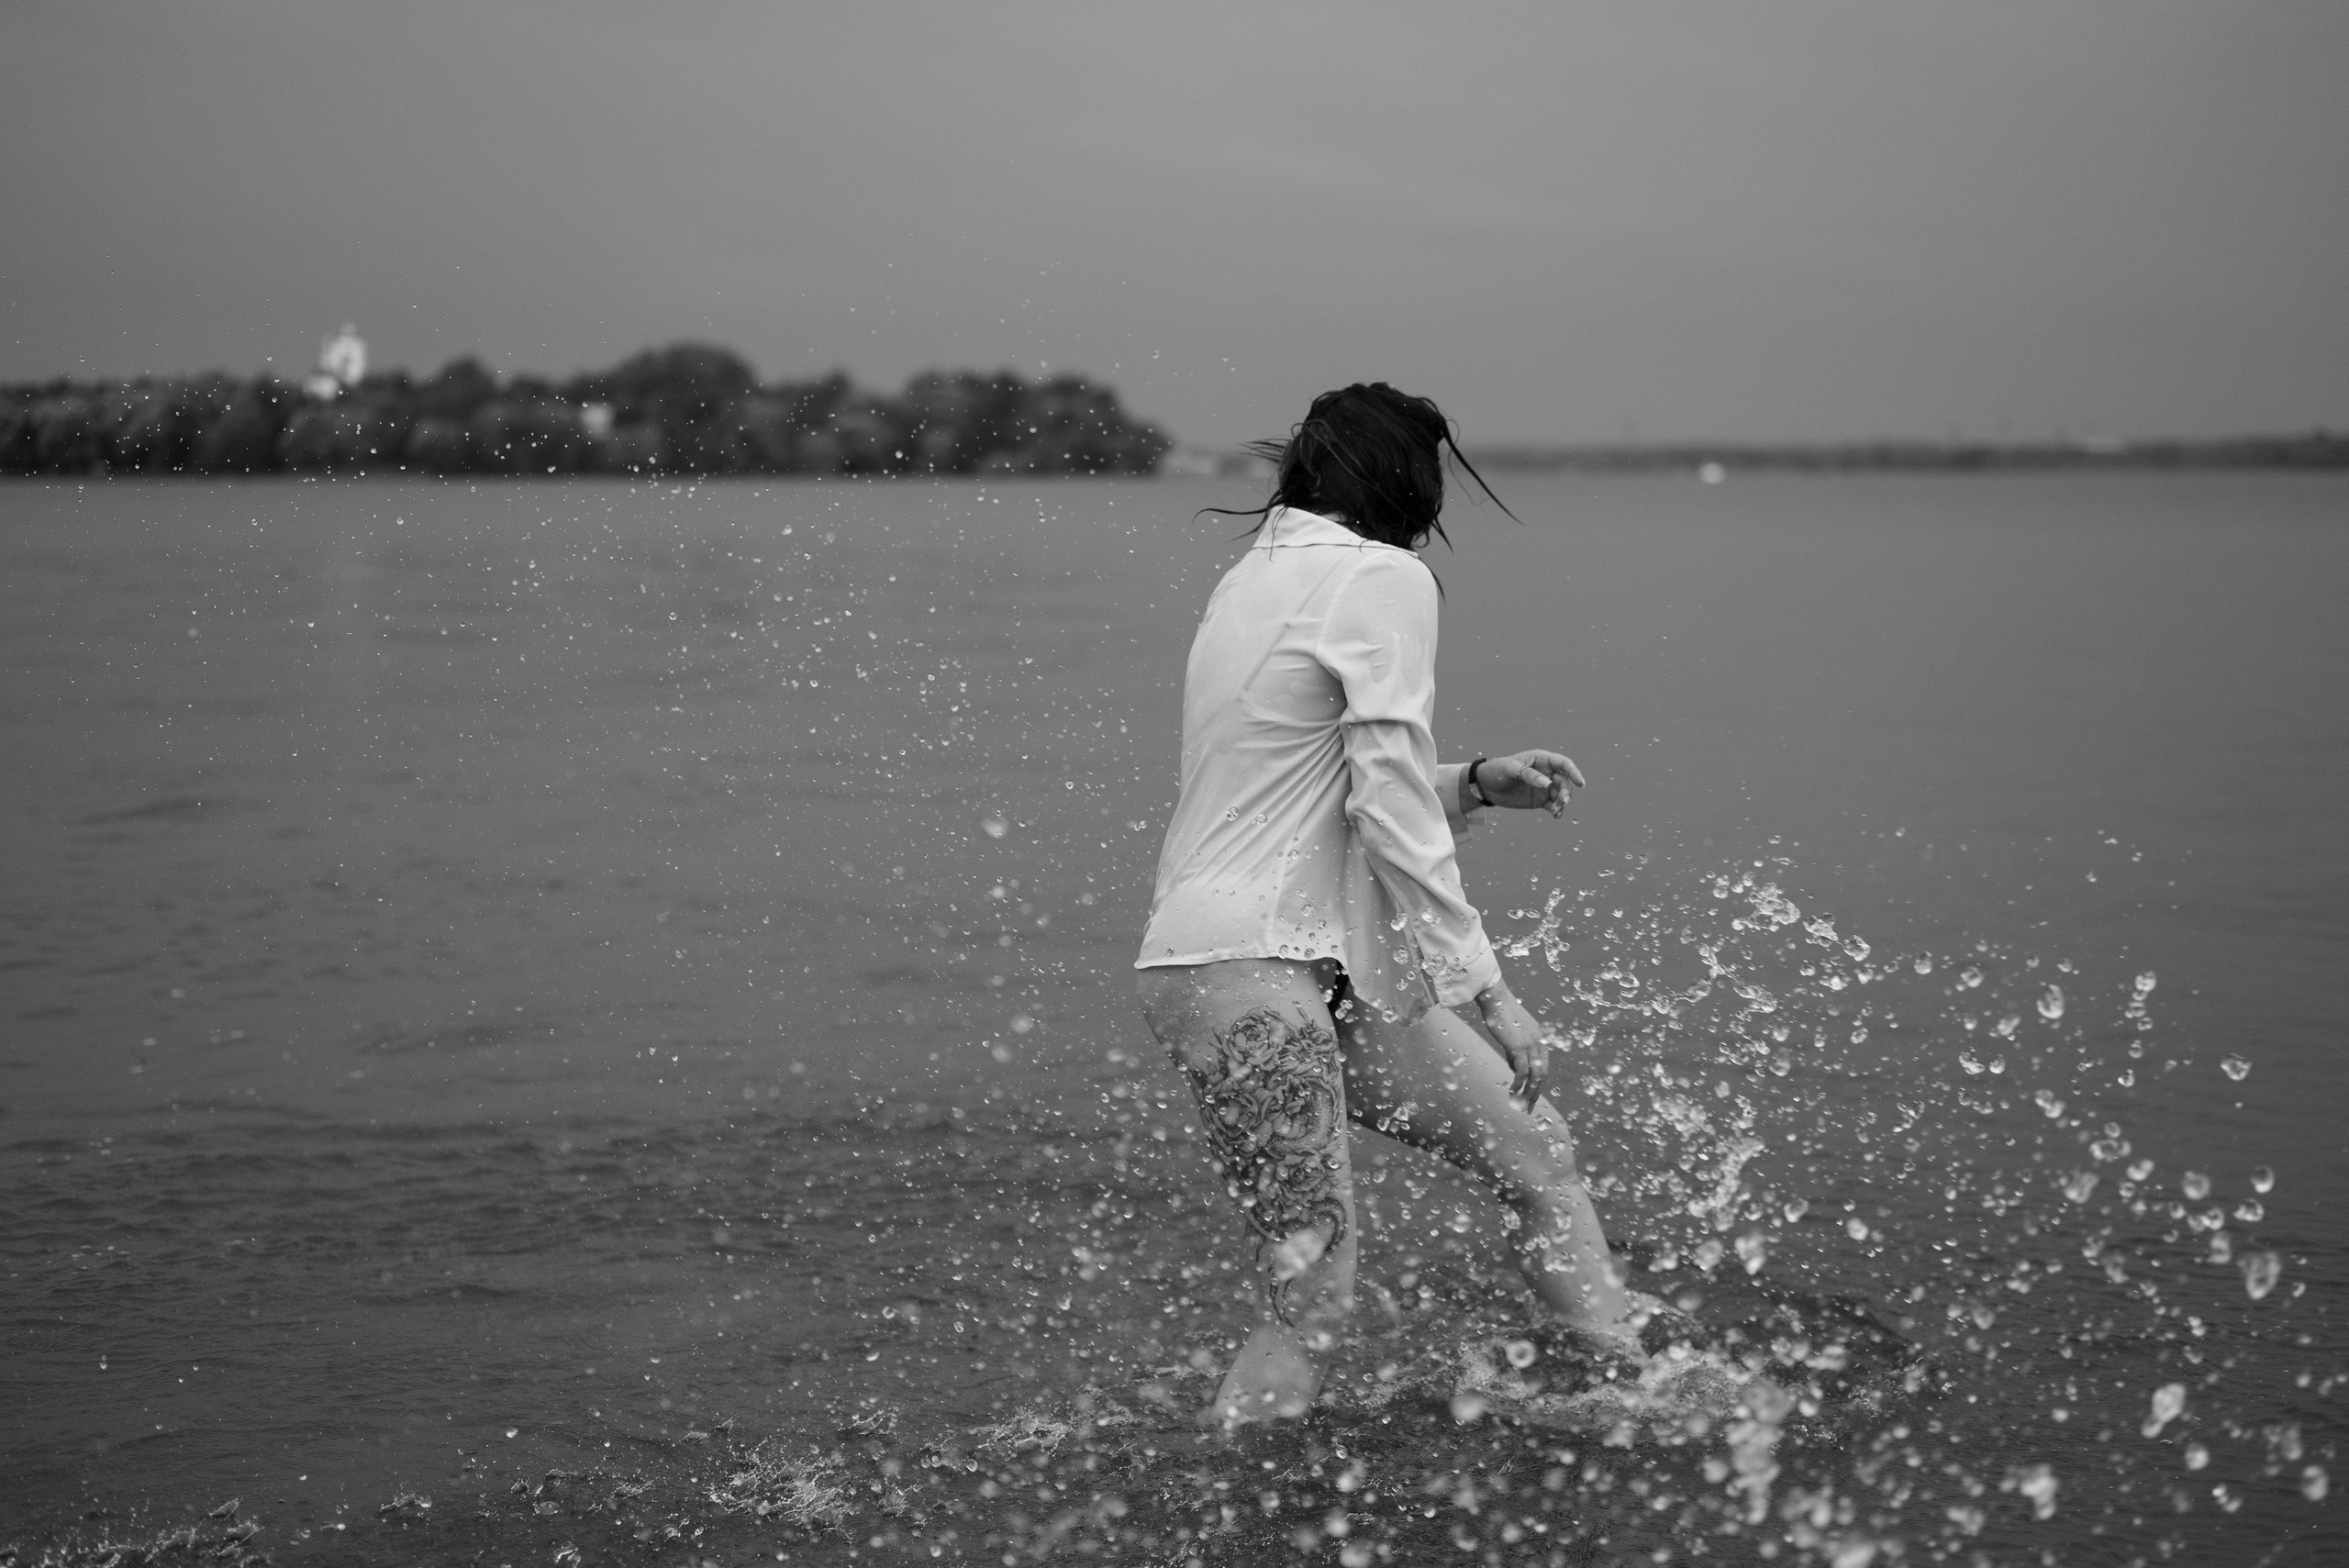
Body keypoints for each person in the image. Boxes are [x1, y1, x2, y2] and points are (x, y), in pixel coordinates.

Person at [1134, 383, 1650, 1428]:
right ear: (1410, 482)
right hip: (1249, 972)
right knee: (1313, 1304)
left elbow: (1302, 778)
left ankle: (1630, 1392)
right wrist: (1486, 988)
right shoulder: (1384, 576)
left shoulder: (1255, 577)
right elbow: (1381, 797)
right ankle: (1226, 1508)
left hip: (1282, 962)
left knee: (1538, 1157)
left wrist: (1469, 779)